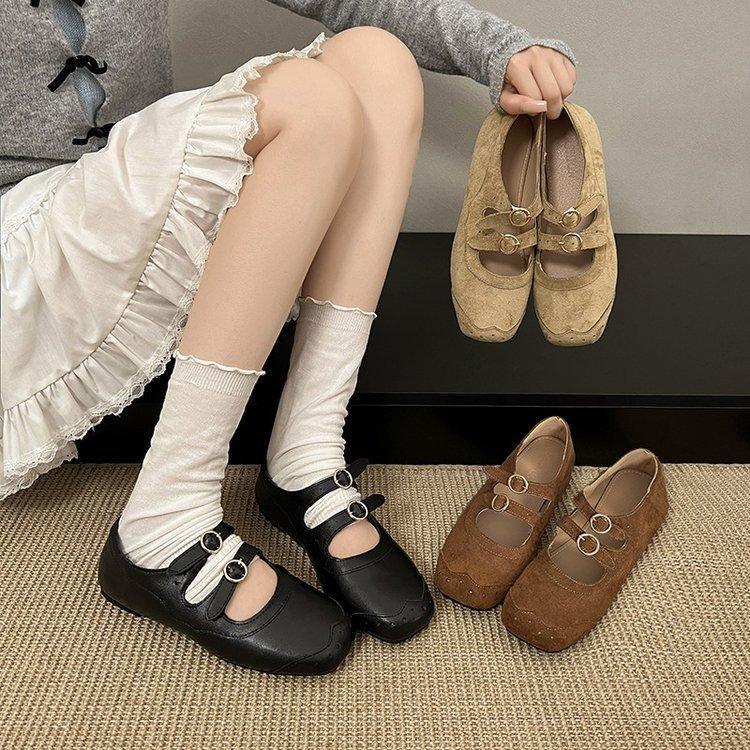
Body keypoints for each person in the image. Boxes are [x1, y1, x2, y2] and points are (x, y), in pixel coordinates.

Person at [1, 0, 575, 674]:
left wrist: (502, 50)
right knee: (308, 100)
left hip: (114, 197)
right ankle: (163, 518)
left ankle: (304, 456)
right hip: (17, 241)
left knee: (378, 61)